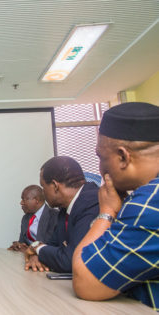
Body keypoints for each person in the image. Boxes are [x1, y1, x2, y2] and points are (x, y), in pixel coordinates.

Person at [72, 102, 159, 311]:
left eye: (101, 158)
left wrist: (107, 212)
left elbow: (86, 281)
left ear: (123, 157)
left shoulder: (151, 200)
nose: (100, 169)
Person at [24, 156, 99, 273]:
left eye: (43, 187)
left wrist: (37, 249)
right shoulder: (65, 209)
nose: (43, 193)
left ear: (55, 186)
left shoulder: (92, 202)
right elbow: (51, 246)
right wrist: (37, 255)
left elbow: (70, 261)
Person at [8, 185, 58, 252]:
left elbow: (49, 245)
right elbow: (22, 242)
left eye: (24, 199)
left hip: (45, 258)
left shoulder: (54, 216)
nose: (21, 202)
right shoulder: (26, 218)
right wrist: (18, 245)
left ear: (36, 200)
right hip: (26, 256)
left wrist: (30, 250)